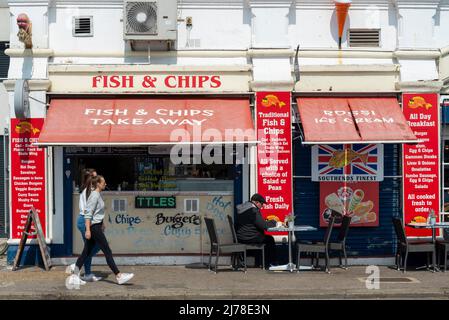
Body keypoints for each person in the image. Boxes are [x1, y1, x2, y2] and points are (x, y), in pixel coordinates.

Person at [70, 175, 134, 285]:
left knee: (86, 252)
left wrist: (102, 222)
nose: (105, 183)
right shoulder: (94, 195)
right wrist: (88, 230)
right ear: (98, 183)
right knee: (107, 251)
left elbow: (96, 212)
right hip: (94, 228)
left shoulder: (97, 194)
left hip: (96, 225)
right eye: (103, 182)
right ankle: (118, 275)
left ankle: (74, 275)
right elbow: (88, 213)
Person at [66, 168, 102, 282]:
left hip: (88, 221)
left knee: (89, 248)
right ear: (90, 179)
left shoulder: (90, 190)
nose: (98, 179)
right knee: (95, 246)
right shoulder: (88, 191)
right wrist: (88, 229)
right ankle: (77, 265)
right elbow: (88, 212)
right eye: (95, 177)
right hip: (86, 221)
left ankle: (86, 273)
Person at [235, 193, 278, 269]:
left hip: (241, 236)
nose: (262, 206)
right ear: (256, 202)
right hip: (248, 237)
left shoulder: (244, 208)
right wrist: (274, 222)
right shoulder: (253, 211)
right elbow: (264, 226)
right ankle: (268, 264)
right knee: (269, 239)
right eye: (262, 204)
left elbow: (256, 223)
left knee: (263, 236)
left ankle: (259, 263)